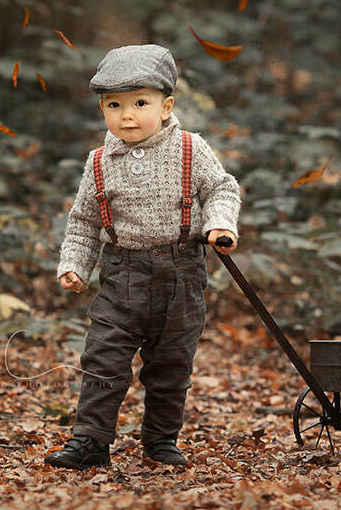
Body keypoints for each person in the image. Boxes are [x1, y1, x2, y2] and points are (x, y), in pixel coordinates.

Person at [44, 44, 240, 469]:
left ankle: (161, 441)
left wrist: (219, 224)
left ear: (166, 106)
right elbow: (84, 222)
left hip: (180, 272)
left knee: (170, 364)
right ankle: (91, 442)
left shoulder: (191, 148)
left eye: (140, 103)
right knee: (103, 357)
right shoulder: (99, 161)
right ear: (102, 109)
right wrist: (75, 265)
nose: (127, 115)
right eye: (114, 105)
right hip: (121, 274)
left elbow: (221, 188)